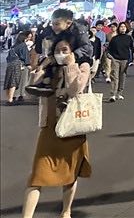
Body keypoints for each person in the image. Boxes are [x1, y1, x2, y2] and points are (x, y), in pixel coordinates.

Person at [22, 37, 92, 218]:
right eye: (57, 50)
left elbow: (75, 90)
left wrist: (70, 65)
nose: (61, 54)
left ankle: (66, 211)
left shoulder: (83, 66)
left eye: (65, 50)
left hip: (72, 129)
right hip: (49, 127)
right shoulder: (48, 70)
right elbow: (28, 95)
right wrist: (41, 68)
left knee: (70, 174)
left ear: (72, 50)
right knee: (37, 175)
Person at [105, 21, 134, 102]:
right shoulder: (114, 38)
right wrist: (110, 57)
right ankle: (113, 94)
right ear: (119, 28)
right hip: (115, 59)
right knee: (114, 76)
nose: (122, 28)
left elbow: (132, 48)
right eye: (121, 26)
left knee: (122, 76)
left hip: (125, 59)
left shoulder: (129, 38)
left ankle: (119, 93)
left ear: (126, 28)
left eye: (124, 27)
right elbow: (109, 49)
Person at [4, 31, 31, 104]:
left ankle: (9, 98)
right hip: (17, 64)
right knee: (14, 81)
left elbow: (8, 58)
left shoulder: (13, 46)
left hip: (10, 64)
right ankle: (10, 99)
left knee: (8, 81)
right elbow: (25, 57)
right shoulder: (23, 45)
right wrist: (29, 66)